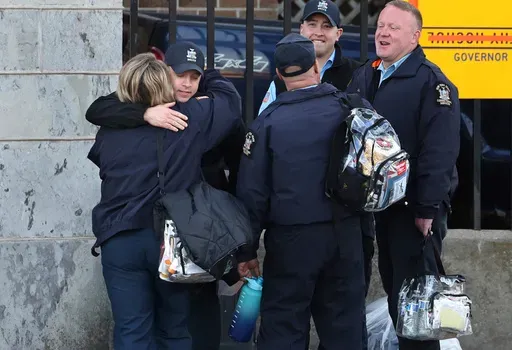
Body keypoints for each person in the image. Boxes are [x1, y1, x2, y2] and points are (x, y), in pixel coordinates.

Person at [85, 42, 244, 350]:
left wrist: (141, 113)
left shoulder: (110, 129)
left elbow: (99, 116)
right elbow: (229, 101)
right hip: (168, 242)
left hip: (119, 238)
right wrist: (208, 71)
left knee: (131, 330)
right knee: (175, 331)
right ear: (166, 80)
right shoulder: (189, 119)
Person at [236, 33, 370, 350]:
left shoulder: (267, 123)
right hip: (346, 234)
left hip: (292, 241)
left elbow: (252, 195)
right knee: (345, 331)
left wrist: (246, 251)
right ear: (315, 66)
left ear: (279, 74)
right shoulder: (351, 106)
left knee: (283, 328)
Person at [346, 1, 460, 350]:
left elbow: (439, 152)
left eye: (394, 27)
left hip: (412, 211)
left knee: (415, 307)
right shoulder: (367, 74)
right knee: (397, 294)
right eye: (381, 25)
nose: (383, 32)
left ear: (415, 36)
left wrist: (426, 208)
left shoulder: (433, 83)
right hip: (374, 205)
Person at [260, 0, 376, 299]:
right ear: (301, 29)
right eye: (312, 24)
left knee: (343, 313)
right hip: (295, 215)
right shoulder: (281, 76)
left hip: (345, 215)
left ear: (338, 33)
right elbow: (262, 135)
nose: (318, 32)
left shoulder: (358, 74)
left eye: (326, 26)